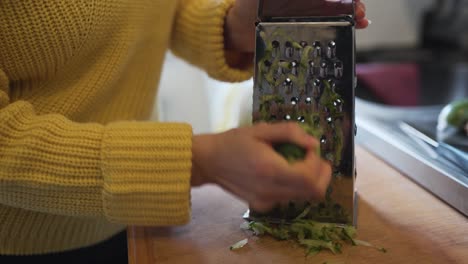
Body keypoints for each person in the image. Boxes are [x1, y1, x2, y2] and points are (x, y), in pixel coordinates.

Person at [0, 0, 369, 263]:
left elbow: (159, 11)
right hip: (25, 244)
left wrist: (232, 24)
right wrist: (198, 161)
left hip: (131, 218)